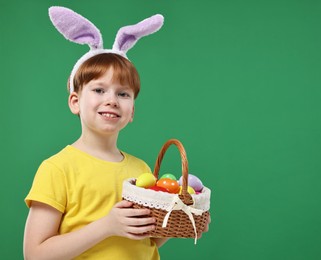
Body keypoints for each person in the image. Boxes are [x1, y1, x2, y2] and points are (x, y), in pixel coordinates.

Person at [23, 6, 210, 260]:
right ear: (75, 101)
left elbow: (147, 240)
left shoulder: (141, 171)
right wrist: (107, 226)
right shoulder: (57, 169)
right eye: (99, 90)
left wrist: (182, 217)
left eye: (123, 94)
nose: (111, 100)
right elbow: (35, 254)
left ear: (132, 110)